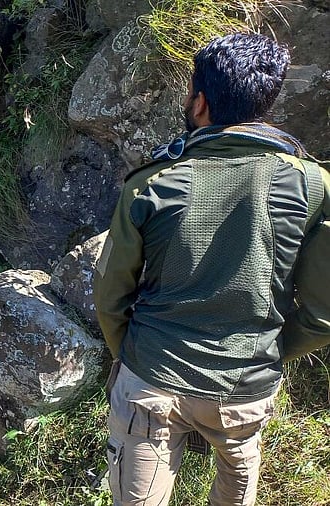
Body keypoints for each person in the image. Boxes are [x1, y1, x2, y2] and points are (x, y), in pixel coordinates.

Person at [94, 33, 330, 506]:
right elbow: (324, 314)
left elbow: (109, 296)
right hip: (246, 390)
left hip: (151, 379)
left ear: (199, 102)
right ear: (266, 103)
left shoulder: (152, 183)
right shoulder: (313, 185)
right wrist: (265, 353)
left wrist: (135, 354)